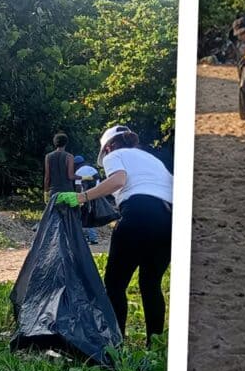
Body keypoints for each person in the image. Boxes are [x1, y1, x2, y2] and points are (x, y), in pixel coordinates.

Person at [56, 125, 173, 345]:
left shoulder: (115, 155)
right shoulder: (154, 160)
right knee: (151, 284)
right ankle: (154, 344)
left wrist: (81, 198)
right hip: (167, 221)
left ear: (108, 147)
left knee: (115, 284)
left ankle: (117, 342)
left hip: (137, 215)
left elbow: (118, 180)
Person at [74, 155, 100, 245]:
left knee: (84, 216)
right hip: (95, 195)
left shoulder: (78, 171)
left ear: (77, 164)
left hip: (84, 196)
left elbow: (78, 187)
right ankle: (89, 237)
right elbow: (98, 183)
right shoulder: (93, 169)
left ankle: (92, 238)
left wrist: (78, 198)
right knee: (90, 215)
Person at [44, 132, 76, 202]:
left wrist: (46, 192)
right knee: (69, 212)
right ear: (66, 143)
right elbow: (70, 176)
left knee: (54, 212)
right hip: (67, 191)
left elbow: (47, 177)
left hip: (54, 191)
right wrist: (82, 177)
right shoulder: (69, 156)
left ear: (55, 143)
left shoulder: (48, 156)